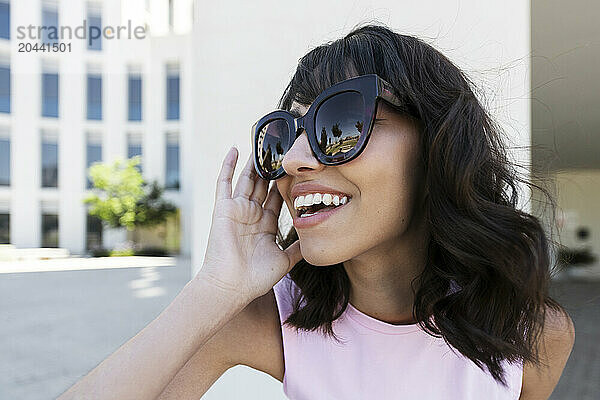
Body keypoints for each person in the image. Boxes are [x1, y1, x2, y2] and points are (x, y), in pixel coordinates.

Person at [58, 23, 575, 400]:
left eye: (341, 121)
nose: (292, 159)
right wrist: (212, 292)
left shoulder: (533, 334)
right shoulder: (268, 318)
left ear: (438, 147)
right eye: (283, 134)